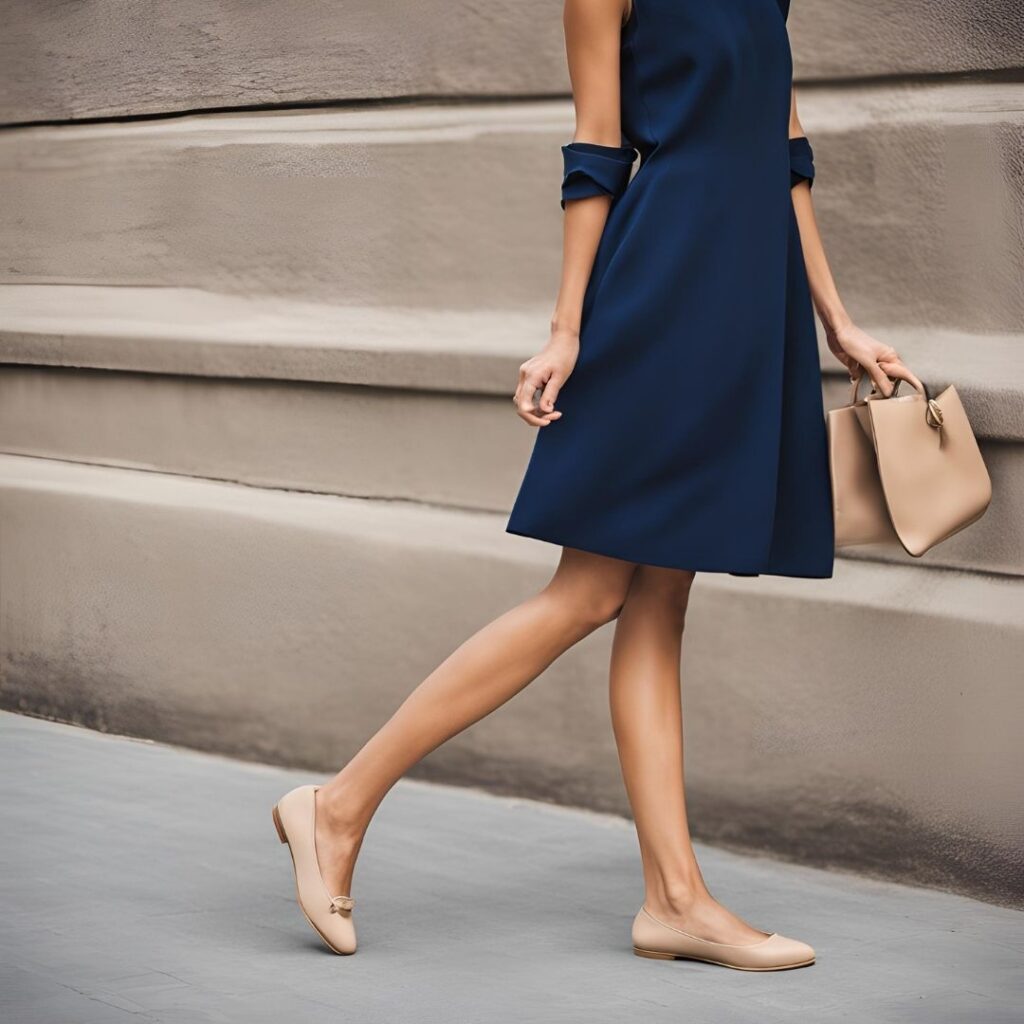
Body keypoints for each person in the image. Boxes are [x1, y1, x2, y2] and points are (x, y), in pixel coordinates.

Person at [273, 0, 919, 969]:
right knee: (591, 590)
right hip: (660, 285)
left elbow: (782, 145)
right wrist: (567, 328)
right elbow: (596, 152)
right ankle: (335, 806)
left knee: (660, 593)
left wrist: (837, 319)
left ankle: (673, 900)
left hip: (750, 295)